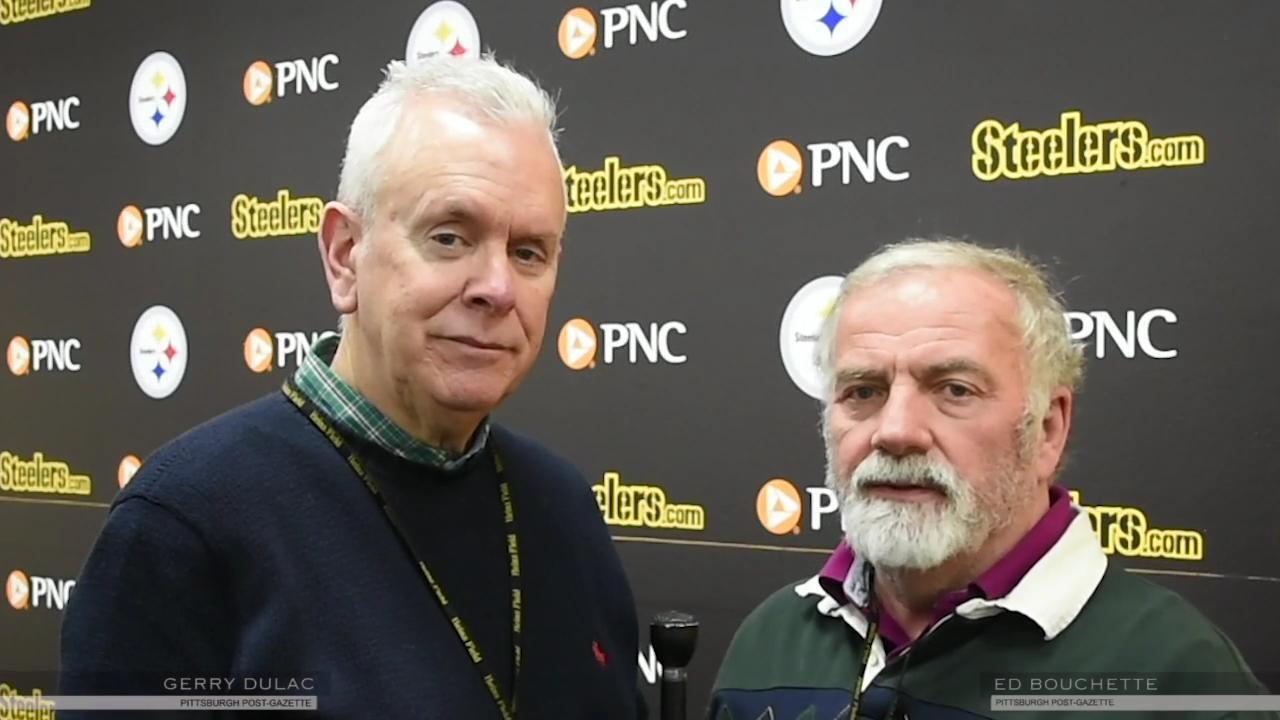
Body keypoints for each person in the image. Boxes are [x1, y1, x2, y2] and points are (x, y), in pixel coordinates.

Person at [61, 55, 645, 719]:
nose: (497, 288)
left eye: (529, 252)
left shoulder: (563, 507)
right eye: (450, 237)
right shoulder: (185, 526)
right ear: (344, 255)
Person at [708, 239, 1273, 719]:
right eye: (863, 392)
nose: (896, 431)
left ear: (1047, 429)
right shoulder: (773, 639)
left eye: (954, 389)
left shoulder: (1176, 676)